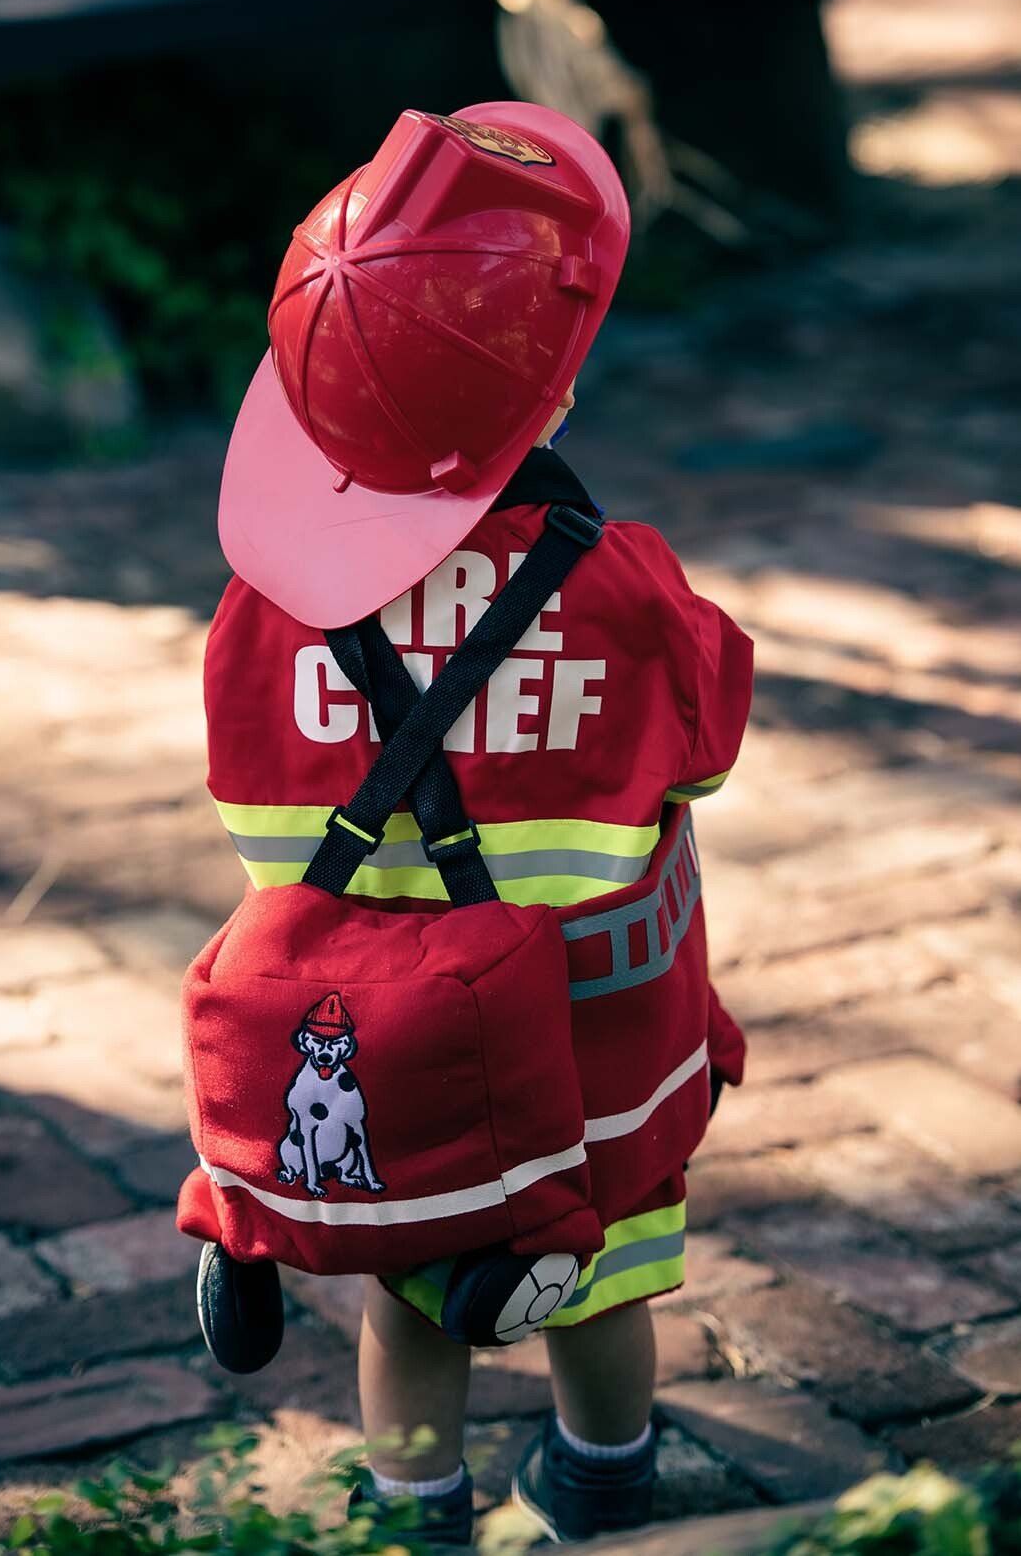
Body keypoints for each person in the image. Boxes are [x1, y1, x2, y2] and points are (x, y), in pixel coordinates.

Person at [188, 103, 753, 1545]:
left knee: (409, 1278)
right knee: (606, 1271)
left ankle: (418, 1510)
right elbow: (701, 756)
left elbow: (252, 809)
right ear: (548, 406)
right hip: (593, 1037)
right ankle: (600, 1481)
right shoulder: (621, 583)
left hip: (391, 1035)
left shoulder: (267, 604)